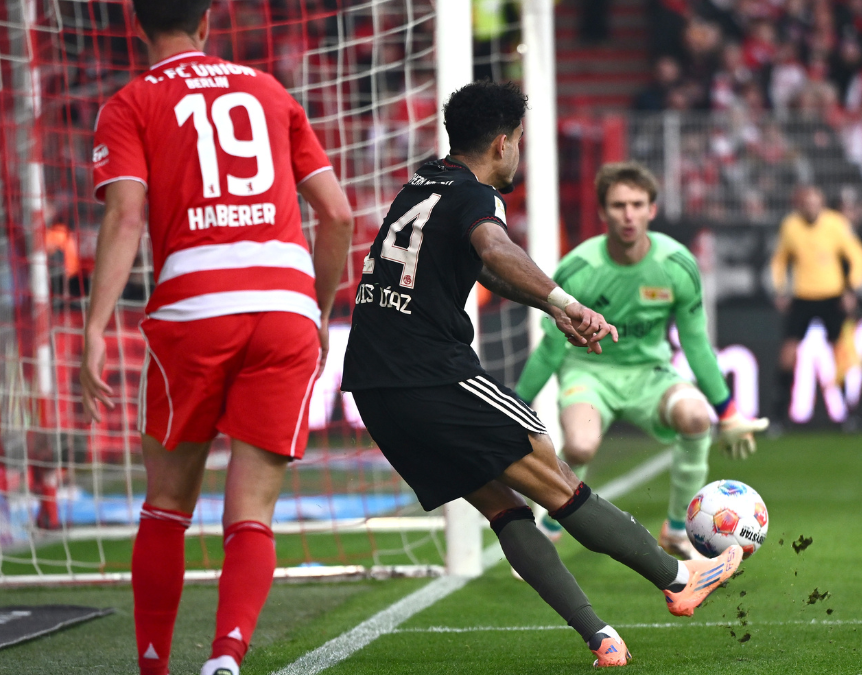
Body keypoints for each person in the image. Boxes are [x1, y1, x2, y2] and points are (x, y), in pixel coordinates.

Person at [342, 81, 743, 668]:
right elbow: (496, 250)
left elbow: (485, 268)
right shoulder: (478, 196)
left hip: (374, 387)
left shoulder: (422, 184)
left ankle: (598, 635)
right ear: (503, 143)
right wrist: (565, 302)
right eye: (520, 142)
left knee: (502, 506)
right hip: (430, 371)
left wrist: (546, 308)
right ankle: (680, 578)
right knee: (554, 476)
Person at [79, 2, 353, 674]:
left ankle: (152, 664)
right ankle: (226, 657)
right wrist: (314, 312)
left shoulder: (131, 101)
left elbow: (125, 217)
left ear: (136, 25)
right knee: (251, 511)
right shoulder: (269, 89)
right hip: (285, 304)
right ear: (207, 23)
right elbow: (340, 215)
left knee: (168, 503)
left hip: (195, 306)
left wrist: (93, 326)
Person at [513, 161, 768, 561]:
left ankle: (678, 529)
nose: (628, 214)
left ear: (652, 208)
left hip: (651, 373)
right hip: (589, 371)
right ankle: (549, 525)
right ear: (603, 212)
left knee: (696, 417)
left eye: (637, 204)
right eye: (618, 205)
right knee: (580, 445)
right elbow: (550, 350)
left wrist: (729, 412)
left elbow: (696, 343)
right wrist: (513, 409)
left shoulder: (676, 265)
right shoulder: (579, 269)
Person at [769, 185, 862, 424]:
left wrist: (851, 288)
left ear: (822, 204)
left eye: (815, 203)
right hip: (802, 297)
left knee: (841, 355)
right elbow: (780, 260)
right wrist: (780, 289)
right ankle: (778, 416)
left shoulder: (836, 224)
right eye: (807, 204)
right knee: (788, 355)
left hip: (832, 297)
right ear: (800, 205)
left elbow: (858, 257)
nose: (811, 208)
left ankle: (850, 414)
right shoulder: (790, 226)